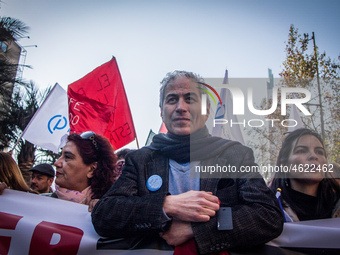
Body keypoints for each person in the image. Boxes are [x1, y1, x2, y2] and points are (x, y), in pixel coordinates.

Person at [91, 71, 284, 254]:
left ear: (206, 110)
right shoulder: (140, 159)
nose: (181, 107)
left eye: (190, 99)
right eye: (172, 99)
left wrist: (197, 229)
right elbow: (105, 215)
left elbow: (267, 216)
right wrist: (166, 206)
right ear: (161, 112)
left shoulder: (235, 155)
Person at [269, 128, 340, 222]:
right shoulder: (267, 209)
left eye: (319, 152)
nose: (314, 156)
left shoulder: (336, 203)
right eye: (301, 151)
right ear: (284, 165)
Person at [52, 131, 117, 210]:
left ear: (92, 169)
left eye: (68, 157)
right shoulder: (40, 204)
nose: (56, 163)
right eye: (60, 155)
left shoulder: (111, 210)